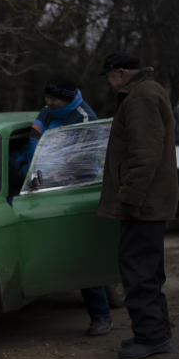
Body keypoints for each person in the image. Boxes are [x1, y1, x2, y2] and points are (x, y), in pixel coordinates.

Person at [96, 52, 179, 359]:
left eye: (108, 76)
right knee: (147, 269)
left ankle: (151, 336)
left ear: (120, 73)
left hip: (144, 205)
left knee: (138, 270)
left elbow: (145, 156)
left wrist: (129, 196)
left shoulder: (140, 97)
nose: (108, 83)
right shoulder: (148, 91)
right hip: (151, 202)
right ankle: (157, 332)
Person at [27, 72, 113, 337]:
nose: (48, 103)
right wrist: (35, 166)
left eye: (52, 98)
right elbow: (35, 136)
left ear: (64, 98)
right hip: (43, 184)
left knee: (82, 256)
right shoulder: (48, 111)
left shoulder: (85, 119)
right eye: (47, 97)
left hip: (75, 190)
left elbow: (82, 161)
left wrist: (50, 166)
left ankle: (101, 316)